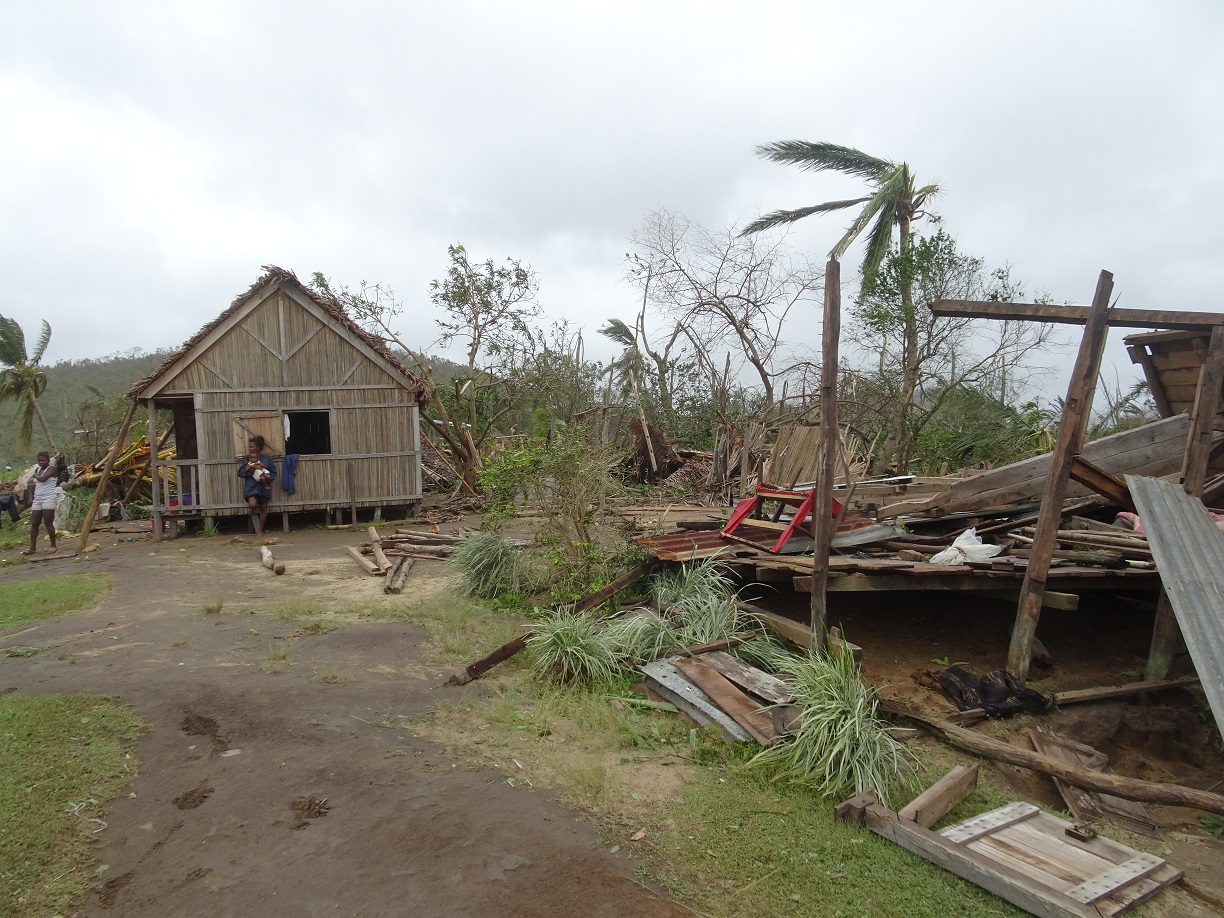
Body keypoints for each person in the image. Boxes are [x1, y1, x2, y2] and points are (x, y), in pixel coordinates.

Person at [237, 435, 277, 536]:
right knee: (252, 504)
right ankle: (252, 510)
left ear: (258, 447)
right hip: (251, 486)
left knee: (264, 507)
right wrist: (250, 470)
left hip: (264, 486)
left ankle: (259, 530)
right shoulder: (248, 459)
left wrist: (265, 476)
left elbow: (273, 473)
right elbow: (241, 473)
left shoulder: (266, 459)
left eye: (252, 447)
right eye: (249, 447)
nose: (250, 448)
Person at [22, 451, 58, 555]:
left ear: (48, 461)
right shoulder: (38, 469)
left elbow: (42, 479)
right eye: (39, 460)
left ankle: (53, 545)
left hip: (49, 498)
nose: (41, 462)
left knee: (48, 523)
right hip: (38, 499)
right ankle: (32, 547)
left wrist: (35, 476)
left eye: (43, 460)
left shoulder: (51, 469)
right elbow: (35, 484)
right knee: (34, 524)